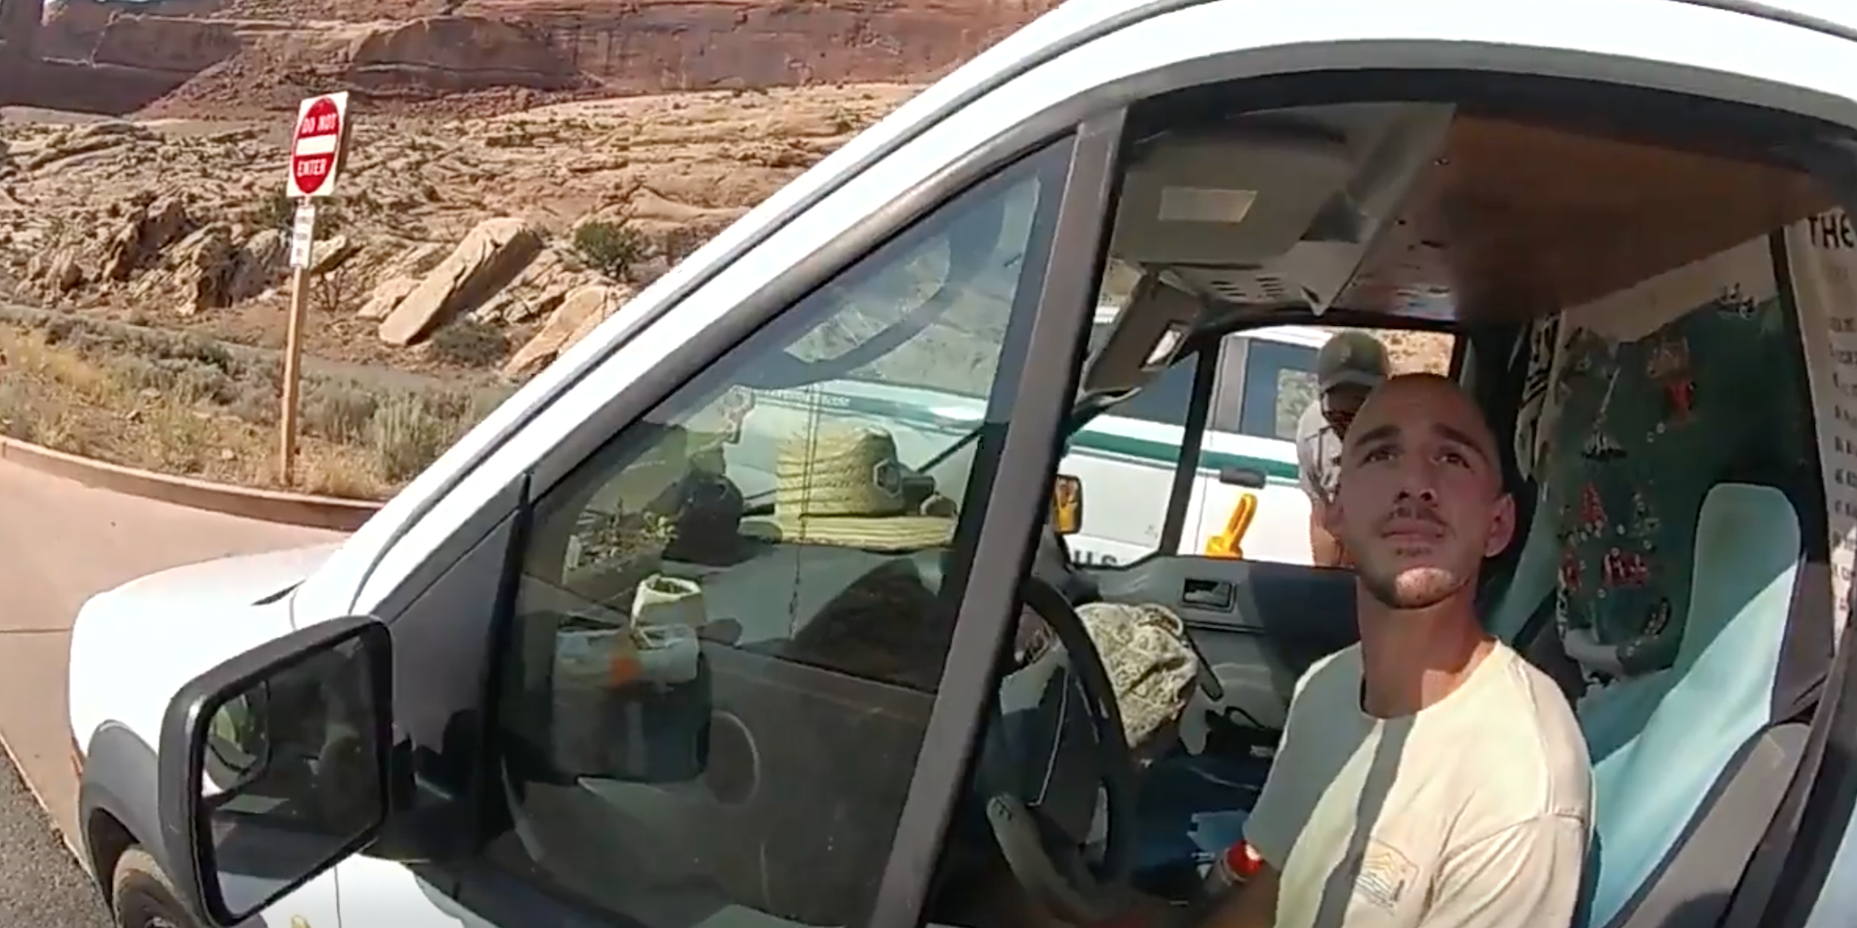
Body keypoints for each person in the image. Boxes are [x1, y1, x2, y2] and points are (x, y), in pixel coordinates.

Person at [1206, 373, 1592, 928]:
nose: (1415, 482)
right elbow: (1269, 896)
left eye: (1452, 458)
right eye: (1382, 454)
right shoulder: (1326, 686)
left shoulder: (1521, 782)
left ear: (1498, 524)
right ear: (1334, 509)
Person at [1296, 331, 1393, 567]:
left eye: (1361, 412)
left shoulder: (1407, 433)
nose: (1351, 427)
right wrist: (1324, 584)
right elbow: (1321, 519)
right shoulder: (1312, 432)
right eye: (1339, 417)